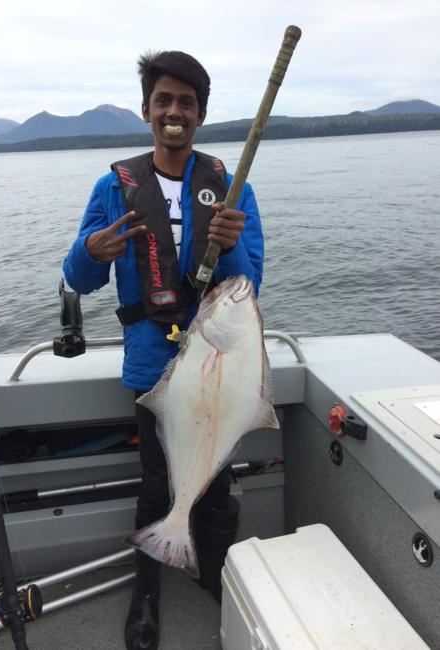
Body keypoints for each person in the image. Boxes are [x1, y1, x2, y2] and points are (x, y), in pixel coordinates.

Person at [64, 50, 264, 650]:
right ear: (147, 110)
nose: (174, 112)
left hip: (217, 368)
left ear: (200, 114)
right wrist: (89, 253)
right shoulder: (113, 186)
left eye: (186, 102)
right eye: (163, 101)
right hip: (154, 365)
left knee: (216, 484)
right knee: (157, 483)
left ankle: (216, 575)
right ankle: (146, 591)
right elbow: (80, 277)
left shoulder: (231, 190)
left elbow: (250, 283)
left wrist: (228, 246)